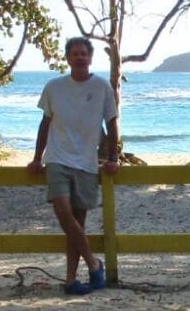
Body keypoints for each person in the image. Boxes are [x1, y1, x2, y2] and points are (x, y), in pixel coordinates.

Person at [26, 37, 120, 295]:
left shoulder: (102, 87)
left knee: (77, 222)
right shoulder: (54, 87)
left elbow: (111, 123)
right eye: (74, 54)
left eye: (83, 54)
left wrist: (113, 158)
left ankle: (70, 280)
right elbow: (45, 123)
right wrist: (38, 157)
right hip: (57, 158)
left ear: (90, 58)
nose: (79, 57)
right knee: (64, 213)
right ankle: (93, 262)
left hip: (87, 162)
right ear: (67, 58)